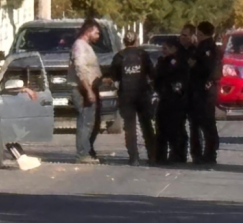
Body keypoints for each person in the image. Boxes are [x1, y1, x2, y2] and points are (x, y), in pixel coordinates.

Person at [110, 31, 156, 166]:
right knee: (146, 125)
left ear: (124, 41)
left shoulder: (119, 56)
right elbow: (152, 73)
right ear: (136, 40)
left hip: (126, 95)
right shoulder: (143, 55)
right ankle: (152, 155)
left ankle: (134, 157)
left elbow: (114, 76)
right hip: (142, 94)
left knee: (130, 126)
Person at [68, 18, 103, 164]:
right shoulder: (80, 46)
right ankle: (82, 154)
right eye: (96, 33)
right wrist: (88, 90)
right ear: (88, 31)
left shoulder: (86, 46)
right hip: (82, 89)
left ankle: (87, 150)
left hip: (89, 88)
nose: (98, 36)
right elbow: (81, 69)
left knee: (92, 121)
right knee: (85, 121)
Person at [190, 21, 221, 165]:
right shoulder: (214, 47)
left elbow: (205, 67)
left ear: (201, 33)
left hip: (202, 89)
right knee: (207, 121)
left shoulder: (204, 47)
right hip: (209, 88)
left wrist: (194, 65)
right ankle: (209, 152)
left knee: (204, 121)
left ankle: (209, 153)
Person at [155, 38, 190, 164]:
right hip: (165, 97)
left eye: (165, 48)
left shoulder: (178, 62)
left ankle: (178, 154)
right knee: (162, 127)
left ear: (173, 48)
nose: (163, 51)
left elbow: (175, 78)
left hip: (175, 99)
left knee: (175, 127)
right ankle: (162, 155)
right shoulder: (163, 61)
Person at [179, 23, 198, 163]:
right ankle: (180, 153)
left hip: (193, 92)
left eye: (185, 35)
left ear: (193, 36)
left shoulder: (196, 51)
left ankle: (197, 154)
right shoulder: (178, 51)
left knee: (195, 125)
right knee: (178, 124)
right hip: (179, 93)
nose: (182, 38)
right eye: (181, 35)